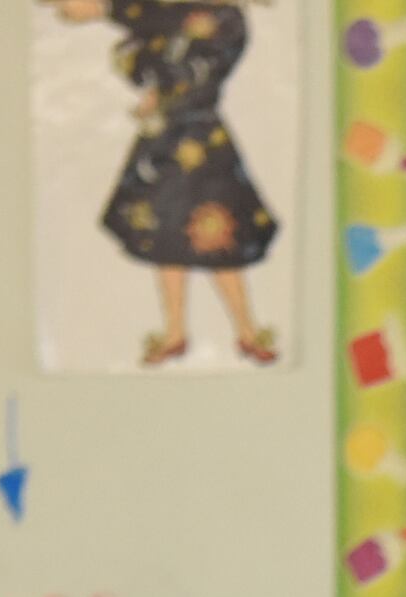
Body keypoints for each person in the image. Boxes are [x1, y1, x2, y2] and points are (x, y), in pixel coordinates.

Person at [57, 0, 282, 365]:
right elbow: (149, 46)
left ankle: (245, 329)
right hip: (166, 138)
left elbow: (186, 62)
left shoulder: (223, 20)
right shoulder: (174, 15)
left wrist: (109, 14)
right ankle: (177, 331)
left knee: (221, 237)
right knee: (167, 232)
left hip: (202, 140)